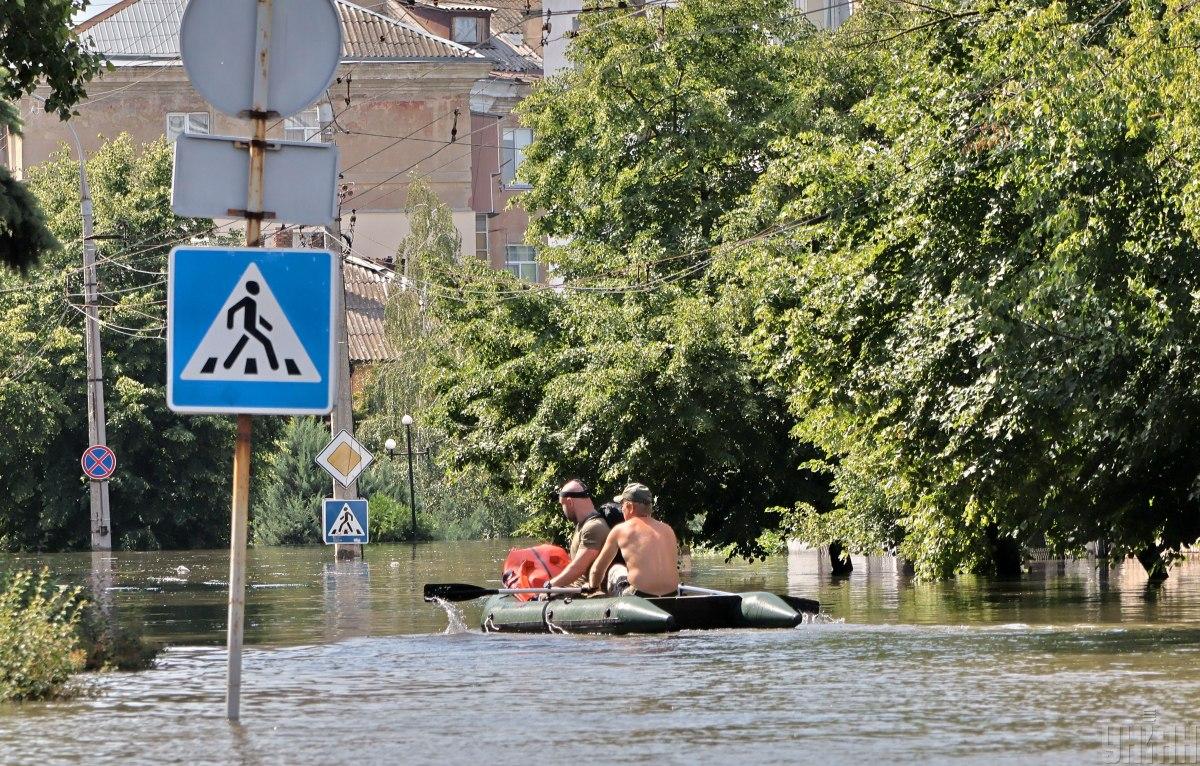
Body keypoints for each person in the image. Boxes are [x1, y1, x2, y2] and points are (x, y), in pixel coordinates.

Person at [589, 483, 680, 598]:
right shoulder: (668, 530)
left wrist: (593, 588)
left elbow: (597, 570)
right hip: (671, 596)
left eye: (622, 505)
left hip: (640, 597)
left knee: (616, 569)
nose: (621, 509)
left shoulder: (620, 530)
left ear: (630, 506)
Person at [545, 480, 611, 589]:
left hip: (587, 594)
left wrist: (549, 585)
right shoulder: (582, 524)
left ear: (570, 502)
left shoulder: (593, 527)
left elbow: (577, 569)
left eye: (562, 504)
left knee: (543, 595)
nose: (563, 510)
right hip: (575, 589)